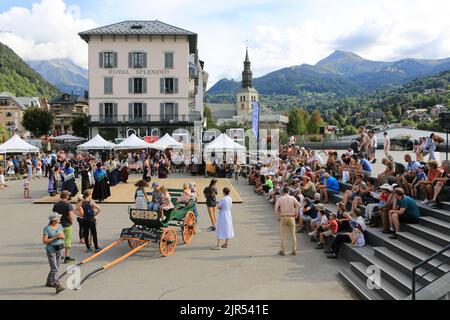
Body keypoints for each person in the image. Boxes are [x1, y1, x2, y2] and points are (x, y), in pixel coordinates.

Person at [42, 212, 65, 293]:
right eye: (58, 218)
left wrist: (62, 237)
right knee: (55, 268)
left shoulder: (60, 226)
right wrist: (56, 237)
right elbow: (45, 241)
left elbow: (62, 234)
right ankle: (57, 284)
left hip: (59, 249)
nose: (60, 219)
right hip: (51, 250)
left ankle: (49, 281)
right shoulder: (47, 229)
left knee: (56, 267)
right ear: (54, 220)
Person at [274, 186, 301, 256]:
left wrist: (278, 216)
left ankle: (282, 251)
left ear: (283, 192)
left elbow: (276, 208)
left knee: (283, 235)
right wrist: (297, 213)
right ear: (289, 191)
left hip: (283, 217)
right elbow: (298, 205)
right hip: (291, 217)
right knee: (293, 235)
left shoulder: (280, 199)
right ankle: (294, 250)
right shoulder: (292, 198)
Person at [52, 190, 75, 263]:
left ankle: (58, 255)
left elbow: (54, 214)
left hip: (58, 225)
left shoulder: (56, 204)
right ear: (67, 196)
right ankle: (67, 257)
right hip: (66, 225)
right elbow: (71, 215)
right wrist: (71, 222)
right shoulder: (68, 205)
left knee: (59, 240)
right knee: (67, 240)